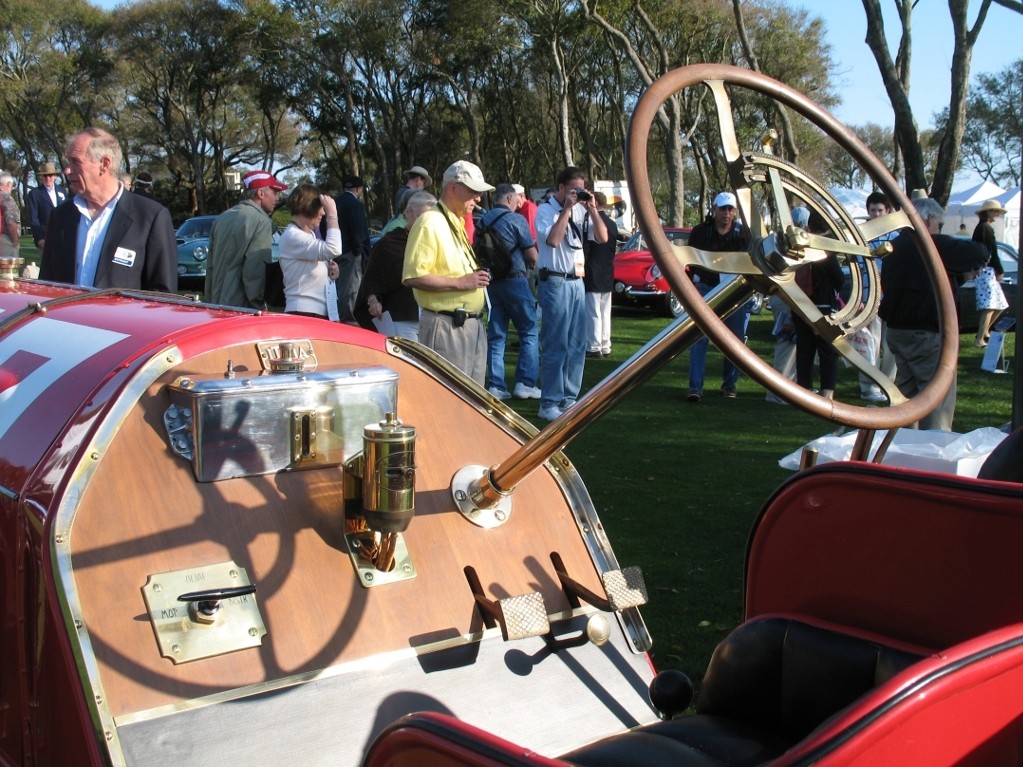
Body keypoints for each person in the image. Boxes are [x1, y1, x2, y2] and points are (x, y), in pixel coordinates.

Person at [879, 193, 988, 431]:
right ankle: (934, 446)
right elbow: (979, 253)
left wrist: (956, 276)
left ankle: (901, 447)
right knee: (936, 398)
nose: (939, 230)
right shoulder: (930, 244)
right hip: (927, 333)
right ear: (927, 220)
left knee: (906, 398)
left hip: (898, 331)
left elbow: (917, 282)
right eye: (938, 225)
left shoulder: (894, 247)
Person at [40, 127, 177, 292]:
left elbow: (163, 296)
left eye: (76, 161)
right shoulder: (60, 217)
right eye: (68, 162)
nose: (67, 170)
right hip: (66, 318)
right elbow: (45, 287)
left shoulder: (151, 217)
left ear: (104, 164)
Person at [402, 160, 494, 383]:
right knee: (449, 403)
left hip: (469, 326)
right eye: (473, 191)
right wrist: (462, 283)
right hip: (447, 327)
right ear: (453, 188)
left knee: (473, 403)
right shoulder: (430, 222)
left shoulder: (453, 222)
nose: (478, 198)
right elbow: (412, 276)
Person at [535, 167, 608, 421]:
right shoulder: (545, 210)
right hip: (554, 281)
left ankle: (569, 398)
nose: (578, 194)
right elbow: (553, 241)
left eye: (581, 188)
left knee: (578, 343)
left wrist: (593, 210)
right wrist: (565, 209)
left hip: (577, 281)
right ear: (561, 187)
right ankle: (549, 402)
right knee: (556, 343)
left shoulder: (582, 211)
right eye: (574, 189)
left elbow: (603, 236)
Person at [685, 191, 751, 402]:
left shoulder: (742, 235)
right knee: (698, 339)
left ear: (735, 212)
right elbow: (690, 260)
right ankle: (695, 387)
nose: (726, 213)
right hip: (705, 288)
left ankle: (729, 385)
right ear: (714, 210)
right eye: (722, 208)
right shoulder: (700, 232)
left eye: (730, 209)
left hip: (732, 290)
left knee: (734, 341)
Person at [481, 183, 540, 401]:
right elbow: (532, 255)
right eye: (516, 199)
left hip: (492, 283)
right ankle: (525, 383)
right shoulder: (517, 220)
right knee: (529, 331)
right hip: (516, 281)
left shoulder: (483, 220)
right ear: (508, 199)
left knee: (496, 336)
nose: (519, 203)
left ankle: (496, 385)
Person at [356, 190, 436, 341]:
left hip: (432, 318)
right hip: (401, 319)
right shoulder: (390, 244)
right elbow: (372, 278)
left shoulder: (438, 243)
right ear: (408, 213)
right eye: (421, 217)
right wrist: (373, 300)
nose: (425, 223)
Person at [206, 169, 287, 308]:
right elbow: (255, 270)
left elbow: (211, 266)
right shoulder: (261, 221)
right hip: (241, 308)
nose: (278, 198)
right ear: (261, 193)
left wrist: (209, 301)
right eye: (275, 192)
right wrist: (259, 304)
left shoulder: (222, 218)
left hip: (215, 303)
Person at [792, 209, 845, 400]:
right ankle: (827, 393)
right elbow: (838, 278)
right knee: (827, 351)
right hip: (823, 306)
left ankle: (804, 391)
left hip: (799, 304)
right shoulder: (826, 251)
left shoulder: (799, 247)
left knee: (804, 350)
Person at [855, 190, 899, 402]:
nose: (876, 213)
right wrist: (860, 299)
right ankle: (868, 386)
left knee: (891, 347)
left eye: (880, 210)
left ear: (887, 211)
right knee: (869, 344)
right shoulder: (861, 236)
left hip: (891, 299)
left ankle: (887, 385)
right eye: (873, 210)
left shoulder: (897, 236)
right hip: (869, 298)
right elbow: (858, 270)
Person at [278, 184, 342, 319]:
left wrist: (329, 272)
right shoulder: (293, 236)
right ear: (309, 207)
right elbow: (334, 249)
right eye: (321, 208)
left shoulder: (308, 235)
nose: (323, 213)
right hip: (303, 313)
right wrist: (333, 214)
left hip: (315, 313)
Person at [333, 174, 371, 324]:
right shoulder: (355, 204)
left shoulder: (336, 202)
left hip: (335, 251)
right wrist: (360, 250)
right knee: (350, 288)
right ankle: (347, 318)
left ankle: (337, 313)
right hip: (351, 252)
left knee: (337, 286)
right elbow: (358, 230)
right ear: (358, 189)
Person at [583, 191, 618, 357]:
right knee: (605, 311)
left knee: (593, 312)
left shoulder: (592, 222)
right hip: (607, 270)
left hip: (593, 270)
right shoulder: (612, 223)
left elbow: (589, 248)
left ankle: (594, 345)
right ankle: (606, 345)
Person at [971, 199, 1008, 347]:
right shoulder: (985, 228)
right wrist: (1000, 269)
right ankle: (980, 338)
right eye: (995, 211)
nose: (997, 214)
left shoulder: (982, 228)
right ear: (989, 212)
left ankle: (985, 331)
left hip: (986, 270)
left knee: (1000, 304)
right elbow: (992, 250)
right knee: (990, 305)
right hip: (985, 270)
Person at [26, 162, 66, 252]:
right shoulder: (35, 194)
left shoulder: (62, 191)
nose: (48, 178)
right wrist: (39, 238)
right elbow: (33, 218)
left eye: (50, 175)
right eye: (45, 176)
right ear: (41, 177)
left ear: (55, 176)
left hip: (62, 238)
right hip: (45, 238)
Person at [0, 173, 20, 259]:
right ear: (8, 184)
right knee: (9, 271)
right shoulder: (6, 198)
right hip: (6, 239)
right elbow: (11, 221)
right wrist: (15, 241)